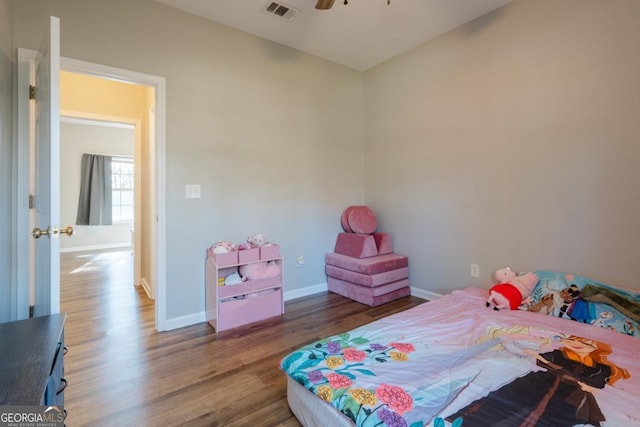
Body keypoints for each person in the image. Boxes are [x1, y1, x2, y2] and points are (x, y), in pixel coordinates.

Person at [446, 334, 630, 427]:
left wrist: (576, 382)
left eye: (584, 344)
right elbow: (539, 357)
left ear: (594, 349)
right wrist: (517, 347)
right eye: (573, 340)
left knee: (552, 416)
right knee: (502, 404)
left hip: (570, 393)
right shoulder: (559, 354)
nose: (576, 344)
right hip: (538, 382)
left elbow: (595, 387)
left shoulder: (600, 368)